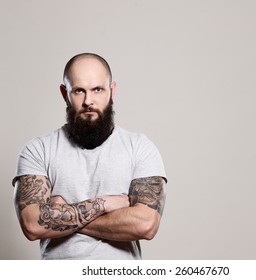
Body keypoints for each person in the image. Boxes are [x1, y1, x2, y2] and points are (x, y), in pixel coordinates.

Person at [12, 53, 167, 260]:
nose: (88, 101)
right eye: (78, 91)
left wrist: (62, 214)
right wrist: (103, 204)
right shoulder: (37, 150)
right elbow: (32, 225)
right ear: (64, 93)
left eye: (97, 89)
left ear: (112, 91)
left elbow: (146, 225)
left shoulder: (139, 147)